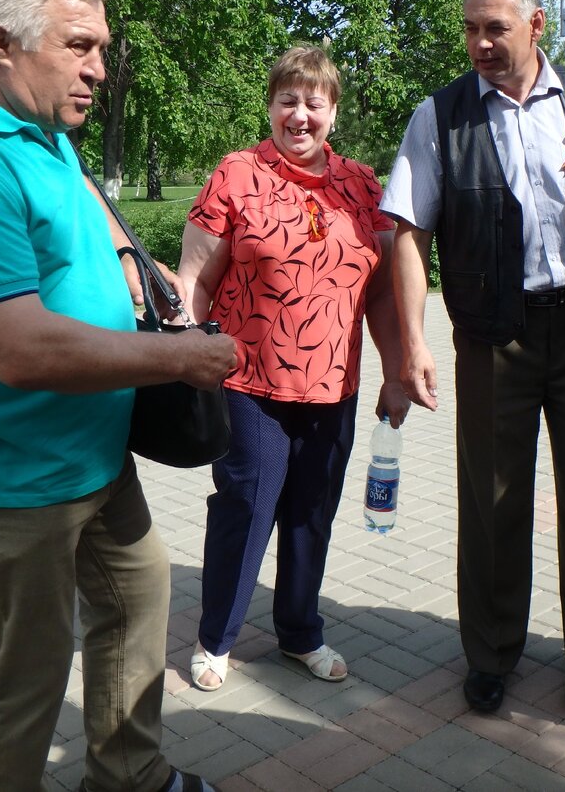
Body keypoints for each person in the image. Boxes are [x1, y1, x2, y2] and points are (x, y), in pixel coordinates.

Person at [0, 0, 235, 792]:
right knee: (26, 674)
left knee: (139, 597)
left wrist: (148, 282)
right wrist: (182, 356)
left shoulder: (39, 132)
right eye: (80, 46)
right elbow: (22, 348)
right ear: (2, 41)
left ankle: (128, 775)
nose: (100, 69)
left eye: (101, 47)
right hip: (5, 475)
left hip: (87, 455)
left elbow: (89, 232)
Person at [382, 0, 565, 713]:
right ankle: (494, 653)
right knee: (492, 501)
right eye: (471, 28)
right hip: (490, 338)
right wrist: (412, 344)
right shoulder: (439, 116)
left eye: (494, 28)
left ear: (537, 24)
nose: (478, 42)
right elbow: (407, 234)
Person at [177, 45, 409, 692]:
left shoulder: (364, 187)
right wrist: (186, 357)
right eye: (288, 100)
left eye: (313, 102)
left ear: (333, 111)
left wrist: (396, 372)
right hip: (248, 380)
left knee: (312, 511)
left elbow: (384, 293)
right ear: (271, 105)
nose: (299, 115)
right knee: (246, 504)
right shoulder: (236, 174)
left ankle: (299, 632)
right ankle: (216, 637)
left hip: (334, 385)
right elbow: (196, 278)